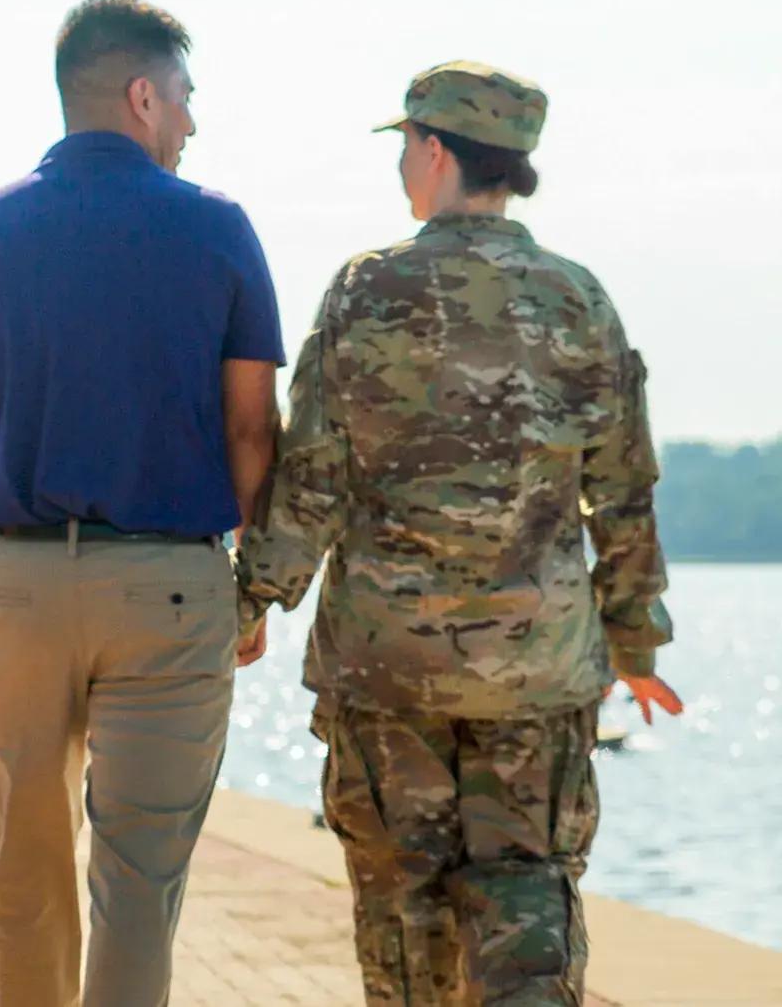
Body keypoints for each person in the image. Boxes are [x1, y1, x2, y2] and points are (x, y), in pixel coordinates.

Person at [236, 60, 685, 1007]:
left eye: (405, 144)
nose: (402, 162)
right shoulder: (578, 299)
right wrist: (636, 637)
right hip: (538, 669)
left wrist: (254, 598)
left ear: (434, 149)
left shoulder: (367, 291)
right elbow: (623, 489)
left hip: (386, 667)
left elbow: (313, 473)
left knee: (405, 908)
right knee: (529, 904)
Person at [0, 0, 285, 1007]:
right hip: (169, 584)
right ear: (143, 95)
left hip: (15, 585)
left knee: (24, 875)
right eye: (187, 99)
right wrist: (254, 581)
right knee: (140, 884)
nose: (193, 124)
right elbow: (252, 427)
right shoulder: (219, 228)